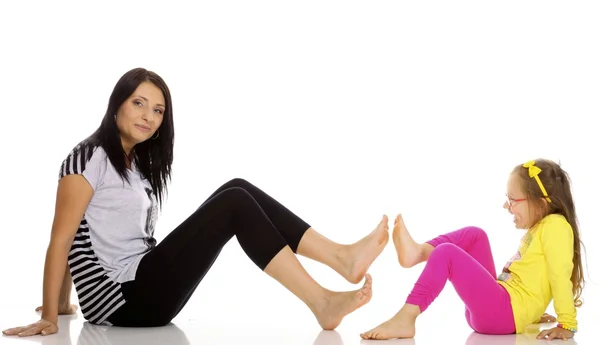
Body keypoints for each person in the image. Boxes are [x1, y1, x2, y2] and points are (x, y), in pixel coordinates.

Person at [2, 67, 390, 337]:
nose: (149, 117)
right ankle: (321, 299)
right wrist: (52, 313)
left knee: (236, 187)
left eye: (158, 110)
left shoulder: (133, 165)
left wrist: (68, 303)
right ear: (116, 103)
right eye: (139, 103)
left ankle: (341, 258)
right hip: (125, 301)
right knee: (234, 202)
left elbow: (88, 235)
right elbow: (63, 238)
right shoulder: (87, 158)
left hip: (143, 287)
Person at [360, 159, 586, 341]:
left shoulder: (556, 227)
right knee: (476, 235)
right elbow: (537, 277)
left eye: (512, 199)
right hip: (500, 307)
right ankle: (418, 252)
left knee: (447, 253)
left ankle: (406, 317)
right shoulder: (544, 226)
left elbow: (559, 275)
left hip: (501, 314)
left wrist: (566, 323)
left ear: (540, 203)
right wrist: (533, 312)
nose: (507, 206)